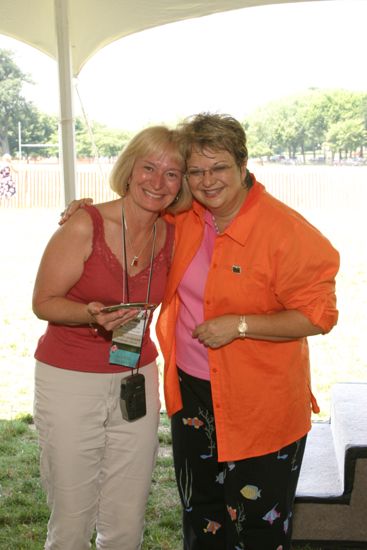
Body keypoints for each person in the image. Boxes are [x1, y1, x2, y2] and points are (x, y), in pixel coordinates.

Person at [155, 113, 340, 550]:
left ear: (243, 166)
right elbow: (133, 214)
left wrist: (240, 327)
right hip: (194, 396)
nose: (206, 181)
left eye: (218, 168)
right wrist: (85, 208)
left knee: (256, 527)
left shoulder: (288, 233)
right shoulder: (185, 217)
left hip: (261, 405)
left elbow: (319, 316)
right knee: (202, 517)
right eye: (196, 171)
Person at [32, 125, 191, 550]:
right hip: (70, 378)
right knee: (73, 511)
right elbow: (44, 302)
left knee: (127, 509)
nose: (157, 182)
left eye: (172, 173)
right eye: (149, 167)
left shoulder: (176, 232)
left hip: (136, 375)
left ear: (181, 184)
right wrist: (89, 314)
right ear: (129, 168)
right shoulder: (86, 224)